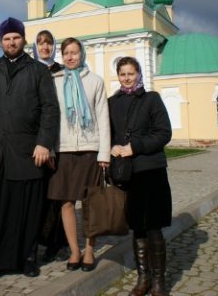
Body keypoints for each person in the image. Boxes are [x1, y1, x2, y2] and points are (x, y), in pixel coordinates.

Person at [0, 17, 60, 277]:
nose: (11, 42)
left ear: (23, 39)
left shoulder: (38, 71)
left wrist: (44, 142)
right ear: (0, 42)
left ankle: (28, 257)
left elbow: (49, 109)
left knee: (28, 209)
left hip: (27, 150)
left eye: (16, 37)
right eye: (7, 38)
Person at [109, 56, 172, 296]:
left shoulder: (151, 99)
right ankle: (143, 278)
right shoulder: (112, 102)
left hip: (151, 169)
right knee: (137, 227)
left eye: (131, 73)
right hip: (128, 173)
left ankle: (159, 281)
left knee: (154, 227)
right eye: (123, 74)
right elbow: (110, 132)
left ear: (138, 74)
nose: (127, 78)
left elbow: (163, 132)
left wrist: (134, 147)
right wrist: (112, 147)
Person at [48, 38, 110, 272]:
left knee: (90, 203)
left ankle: (90, 249)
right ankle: (75, 250)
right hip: (64, 149)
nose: (71, 57)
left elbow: (103, 118)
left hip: (89, 149)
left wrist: (104, 153)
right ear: (62, 56)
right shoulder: (55, 81)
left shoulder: (95, 81)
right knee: (66, 202)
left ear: (81, 54)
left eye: (75, 53)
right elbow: (51, 118)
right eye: (66, 53)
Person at [32, 29, 68, 263]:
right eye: (40, 43)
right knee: (37, 196)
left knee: (57, 195)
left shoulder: (62, 73)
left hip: (58, 139)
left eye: (49, 43)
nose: (45, 47)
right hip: (33, 141)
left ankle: (56, 241)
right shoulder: (30, 69)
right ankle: (35, 240)